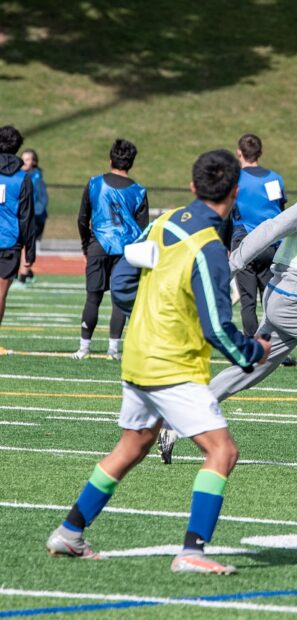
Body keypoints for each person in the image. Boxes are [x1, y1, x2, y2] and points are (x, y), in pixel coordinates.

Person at [45, 150, 269, 574]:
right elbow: (218, 330)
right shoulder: (209, 249)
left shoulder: (164, 221)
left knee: (134, 445)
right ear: (236, 192)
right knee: (222, 451)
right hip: (171, 363)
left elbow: (125, 278)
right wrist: (253, 352)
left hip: (138, 351)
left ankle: (70, 532)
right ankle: (193, 551)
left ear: (191, 187)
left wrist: (148, 310)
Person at [169, 136, 297, 471]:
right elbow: (271, 228)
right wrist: (231, 265)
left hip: (294, 296)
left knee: (253, 366)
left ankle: (179, 418)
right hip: (293, 297)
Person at [74, 139, 149, 360]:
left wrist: (85, 243)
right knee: (120, 297)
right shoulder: (139, 191)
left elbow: (82, 218)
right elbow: (143, 229)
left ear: (110, 159)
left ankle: (83, 348)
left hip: (98, 244)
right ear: (131, 163)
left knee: (92, 297)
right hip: (126, 250)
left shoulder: (94, 183)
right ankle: (113, 350)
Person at [229, 134, 296, 367]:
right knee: (270, 300)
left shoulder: (234, 178)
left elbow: (227, 212)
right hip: (271, 243)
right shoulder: (274, 179)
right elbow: (281, 211)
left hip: (245, 243)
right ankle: (277, 350)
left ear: (239, 152)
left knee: (248, 301)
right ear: (261, 152)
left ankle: (251, 349)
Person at [0, 126, 37, 355]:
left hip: (8, 241)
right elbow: (26, 218)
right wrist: (30, 252)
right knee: (0, 293)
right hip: (9, 242)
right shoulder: (23, 178)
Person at [15, 148, 47, 286]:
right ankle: (29, 274)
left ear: (34, 162)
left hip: (33, 218)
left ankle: (22, 279)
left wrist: (33, 216)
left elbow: (42, 200)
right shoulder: (20, 176)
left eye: (28, 159)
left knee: (25, 248)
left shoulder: (36, 177)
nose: (25, 162)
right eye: (23, 159)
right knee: (18, 246)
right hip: (23, 217)